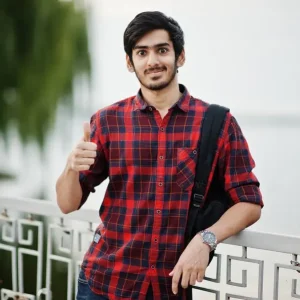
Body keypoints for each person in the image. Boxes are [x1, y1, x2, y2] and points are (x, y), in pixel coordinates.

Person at [56, 11, 264, 300]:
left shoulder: (217, 123)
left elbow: (249, 203)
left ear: (180, 56)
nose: (152, 61)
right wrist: (69, 167)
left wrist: (205, 240)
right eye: (142, 52)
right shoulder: (107, 121)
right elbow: (67, 204)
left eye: (162, 50)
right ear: (130, 62)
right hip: (104, 283)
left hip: (169, 288)